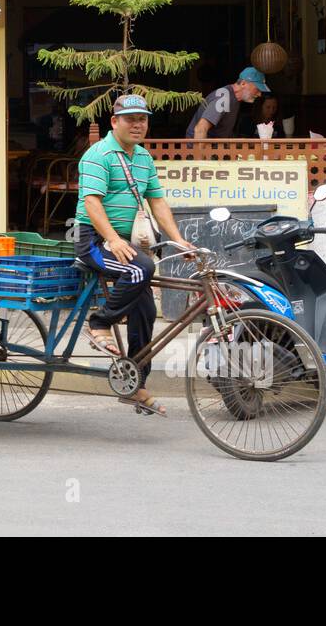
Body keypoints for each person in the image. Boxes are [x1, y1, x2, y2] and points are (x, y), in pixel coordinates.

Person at [75, 93, 194, 416]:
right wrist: (112, 239)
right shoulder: (98, 155)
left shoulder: (143, 158)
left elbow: (157, 201)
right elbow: (92, 203)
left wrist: (179, 240)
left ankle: (135, 386)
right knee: (142, 268)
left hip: (125, 241)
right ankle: (98, 323)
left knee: (145, 313)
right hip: (95, 242)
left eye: (142, 119)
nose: (138, 124)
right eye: (130, 119)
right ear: (115, 122)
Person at [186, 67, 269, 139]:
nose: (259, 94)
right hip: (198, 152)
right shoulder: (224, 97)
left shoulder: (236, 99)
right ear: (243, 83)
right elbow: (200, 129)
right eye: (257, 89)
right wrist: (201, 156)